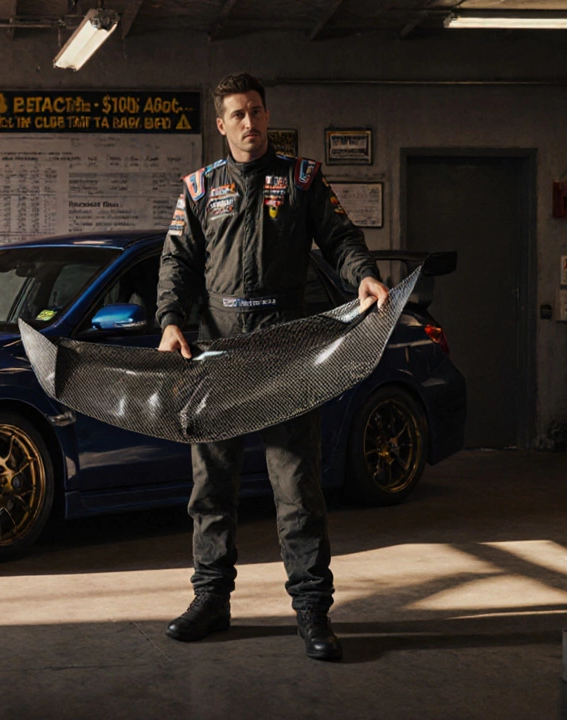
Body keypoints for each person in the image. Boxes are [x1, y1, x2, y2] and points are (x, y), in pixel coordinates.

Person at [155, 72, 389, 661]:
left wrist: (363, 273)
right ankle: (211, 600)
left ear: (267, 115)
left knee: (297, 486)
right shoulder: (199, 188)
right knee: (211, 487)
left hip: (287, 350)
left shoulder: (302, 179)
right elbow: (177, 262)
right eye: (237, 114)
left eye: (256, 111)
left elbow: (341, 238)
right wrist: (170, 320)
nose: (249, 122)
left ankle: (312, 610)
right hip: (217, 353)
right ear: (221, 123)